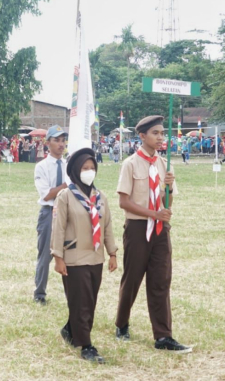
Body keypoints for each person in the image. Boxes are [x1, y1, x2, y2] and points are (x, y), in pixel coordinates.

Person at [115, 115, 191, 353]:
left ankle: (163, 336)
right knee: (133, 278)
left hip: (160, 230)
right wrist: (152, 213)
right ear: (142, 136)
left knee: (160, 280)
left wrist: (168, 187)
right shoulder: (130, 164)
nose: (160, 137)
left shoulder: (165, 164)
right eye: (155, 133)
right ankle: (122, 323)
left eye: (162, 133)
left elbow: (168, 202)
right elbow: (123, 202)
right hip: (138, 228)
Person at [51, 148, 118, 363]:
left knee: (89, 301)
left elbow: (106, 226)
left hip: (96, 257)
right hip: (74, 257)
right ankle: (86, 345)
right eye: (84, 168)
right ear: (75, 171)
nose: (89, 172)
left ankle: (70, 329)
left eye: (92, 168)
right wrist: (58, 257)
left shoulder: (100, 197)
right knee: (80, 302)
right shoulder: (66, 196)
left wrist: (112, 253)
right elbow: (58, 228)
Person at [33, 125, 68, 306]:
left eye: (63, 140)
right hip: (49, 212)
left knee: (69, 254)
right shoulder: (42, 166)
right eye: (57, 140)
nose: (61, 144)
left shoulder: (69, 165)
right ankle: (40, 293)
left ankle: (72, 292)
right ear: (48, 143)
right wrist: (66, 186)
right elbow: (46, 194)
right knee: (45, 255)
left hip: (67, 213)